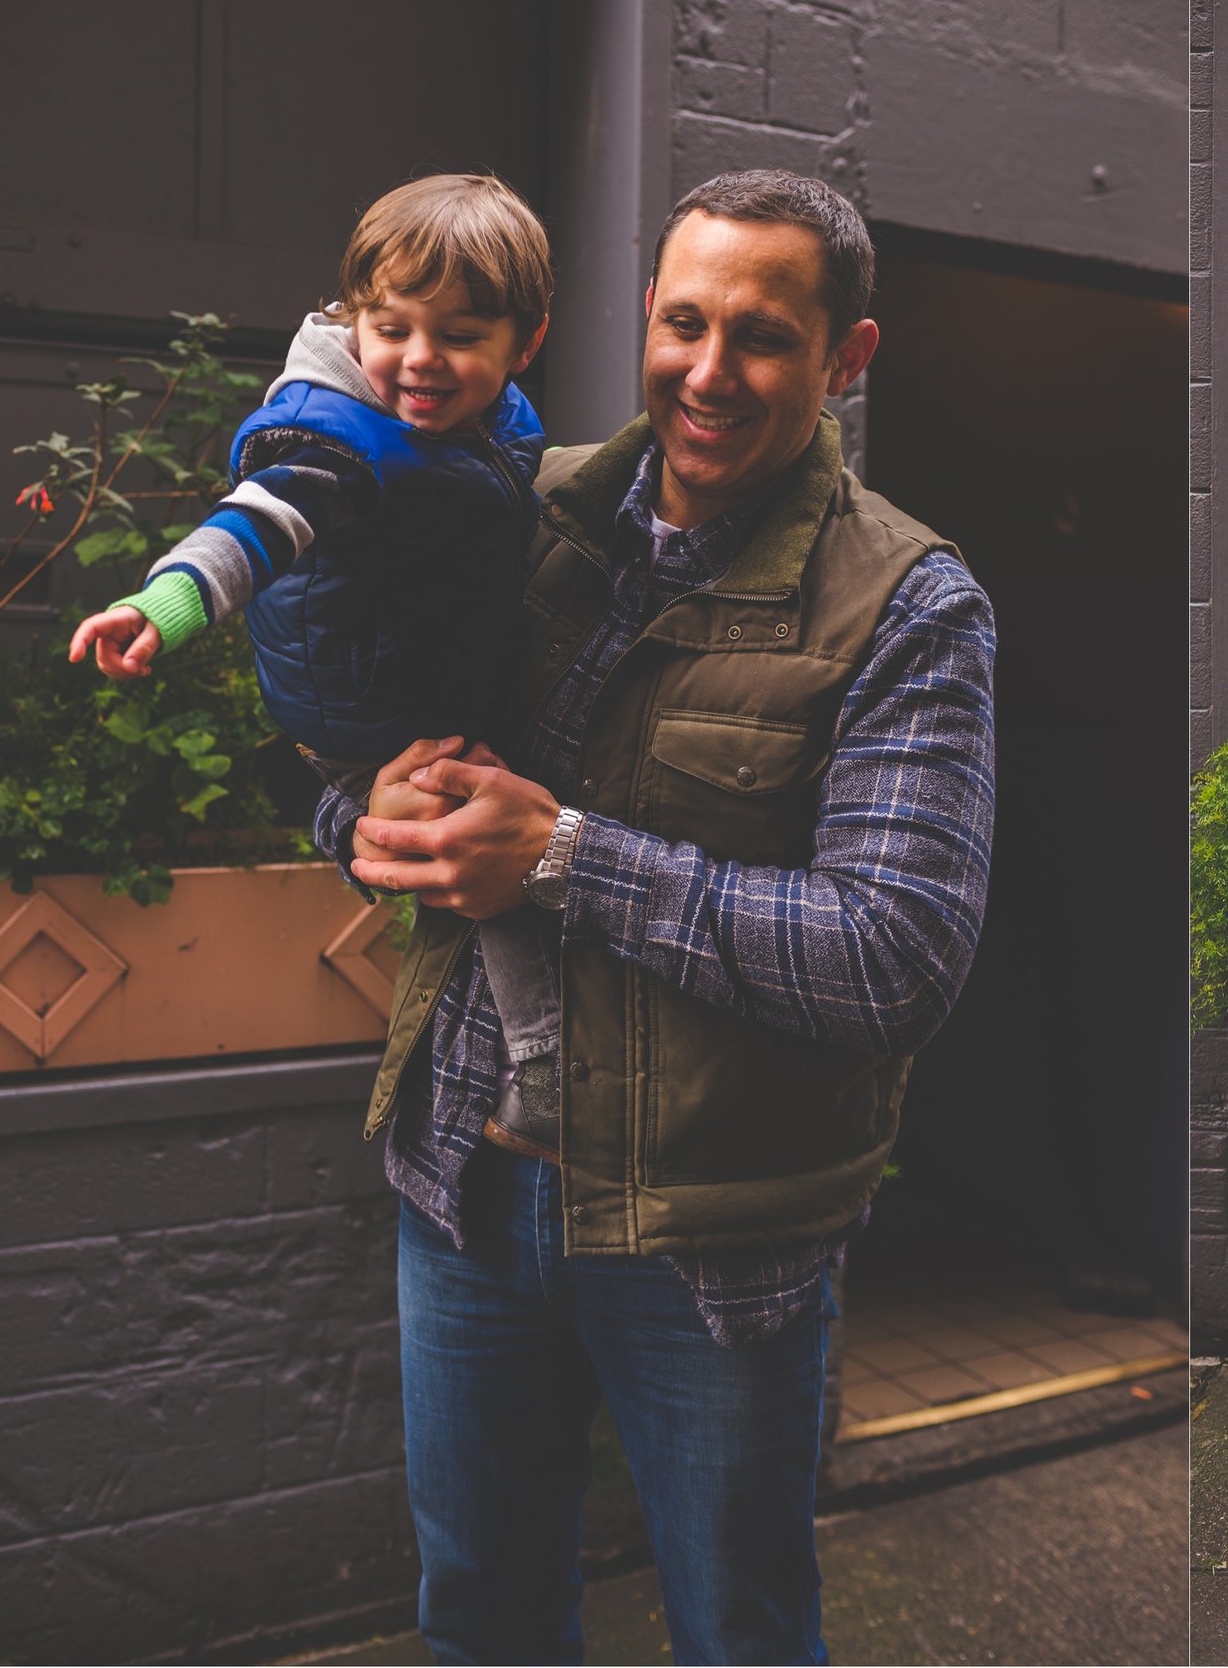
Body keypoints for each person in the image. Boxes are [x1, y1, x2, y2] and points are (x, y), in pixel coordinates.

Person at [331, 170, 995, 1665]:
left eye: (759, 336)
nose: (707, 370)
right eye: (682, 322)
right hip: (468, 1188)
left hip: (713, 1239)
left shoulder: (907, 602)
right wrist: (361, 821)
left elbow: (895, 956)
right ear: (642, 319)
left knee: (739, 1631)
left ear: (847, 360)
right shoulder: (513, 506)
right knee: (481, 1615)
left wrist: (565, 853)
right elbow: (352, 750)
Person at [68, 172, 568, 1073]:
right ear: (352, 320)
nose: (420, 358)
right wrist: (164, 605)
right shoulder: (335, 444)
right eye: (392, 330)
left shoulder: (490, 422)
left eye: (459, 336)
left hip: (423, 668)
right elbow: (258, 522)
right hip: (366, 708)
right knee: (493, 870)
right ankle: (542, 1063)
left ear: (524, 342)